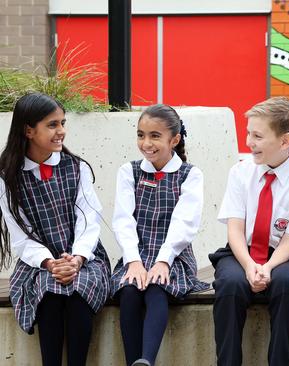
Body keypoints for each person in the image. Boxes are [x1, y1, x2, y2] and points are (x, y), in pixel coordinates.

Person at [0, 93, 110, 366]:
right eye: (52, 124)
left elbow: (88, 220)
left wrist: (77, 259)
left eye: (63, 122)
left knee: (79, 288)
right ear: (28, 130)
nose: (61, 131)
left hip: (85, 258)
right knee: (49, 292)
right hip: (38, 262)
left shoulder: (77, 167)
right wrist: (51, 263)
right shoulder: (7, 178)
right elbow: (21, 236)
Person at [210, 96, 289, 366]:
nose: (249, 142)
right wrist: (248, 266)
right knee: (231, 284)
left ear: (284, 141)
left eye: (257, 136)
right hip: (240, 252)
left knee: (287, 284)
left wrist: (267, 267)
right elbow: (234, 229)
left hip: (280, 255)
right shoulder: (240, 173)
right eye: (249, 133)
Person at [111, 104, 209, 366]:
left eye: (155, 136)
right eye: (141, 135)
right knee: (130, 290)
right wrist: (133, 260)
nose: (146, 143)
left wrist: (163, 260)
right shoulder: (128, 171)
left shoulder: (190, 175)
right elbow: (123, 220)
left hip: (173, 257)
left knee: (157, 286)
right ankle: (134, 361)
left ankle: (147, 360)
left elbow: (184, 223)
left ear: (174, 140)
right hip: (137, 253)